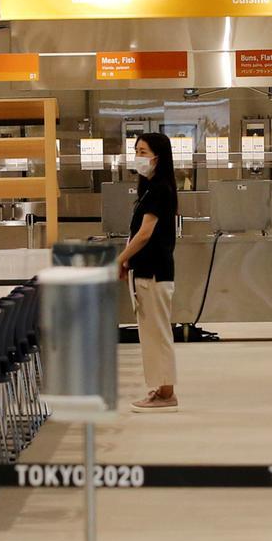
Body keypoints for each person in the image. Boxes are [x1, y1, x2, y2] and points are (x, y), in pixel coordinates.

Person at [116, 131, 178, 412]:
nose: (138, 157)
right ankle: (159, 388)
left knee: (158, 333)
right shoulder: (149, 189)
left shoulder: (161, 189)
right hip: (143, 270)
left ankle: (166, 393)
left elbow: (144, 234)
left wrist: (120, 259)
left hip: (154, 271)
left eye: (143, 152)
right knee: (150, 335)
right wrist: (128, 262)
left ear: (158, 156)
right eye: (136, 151)